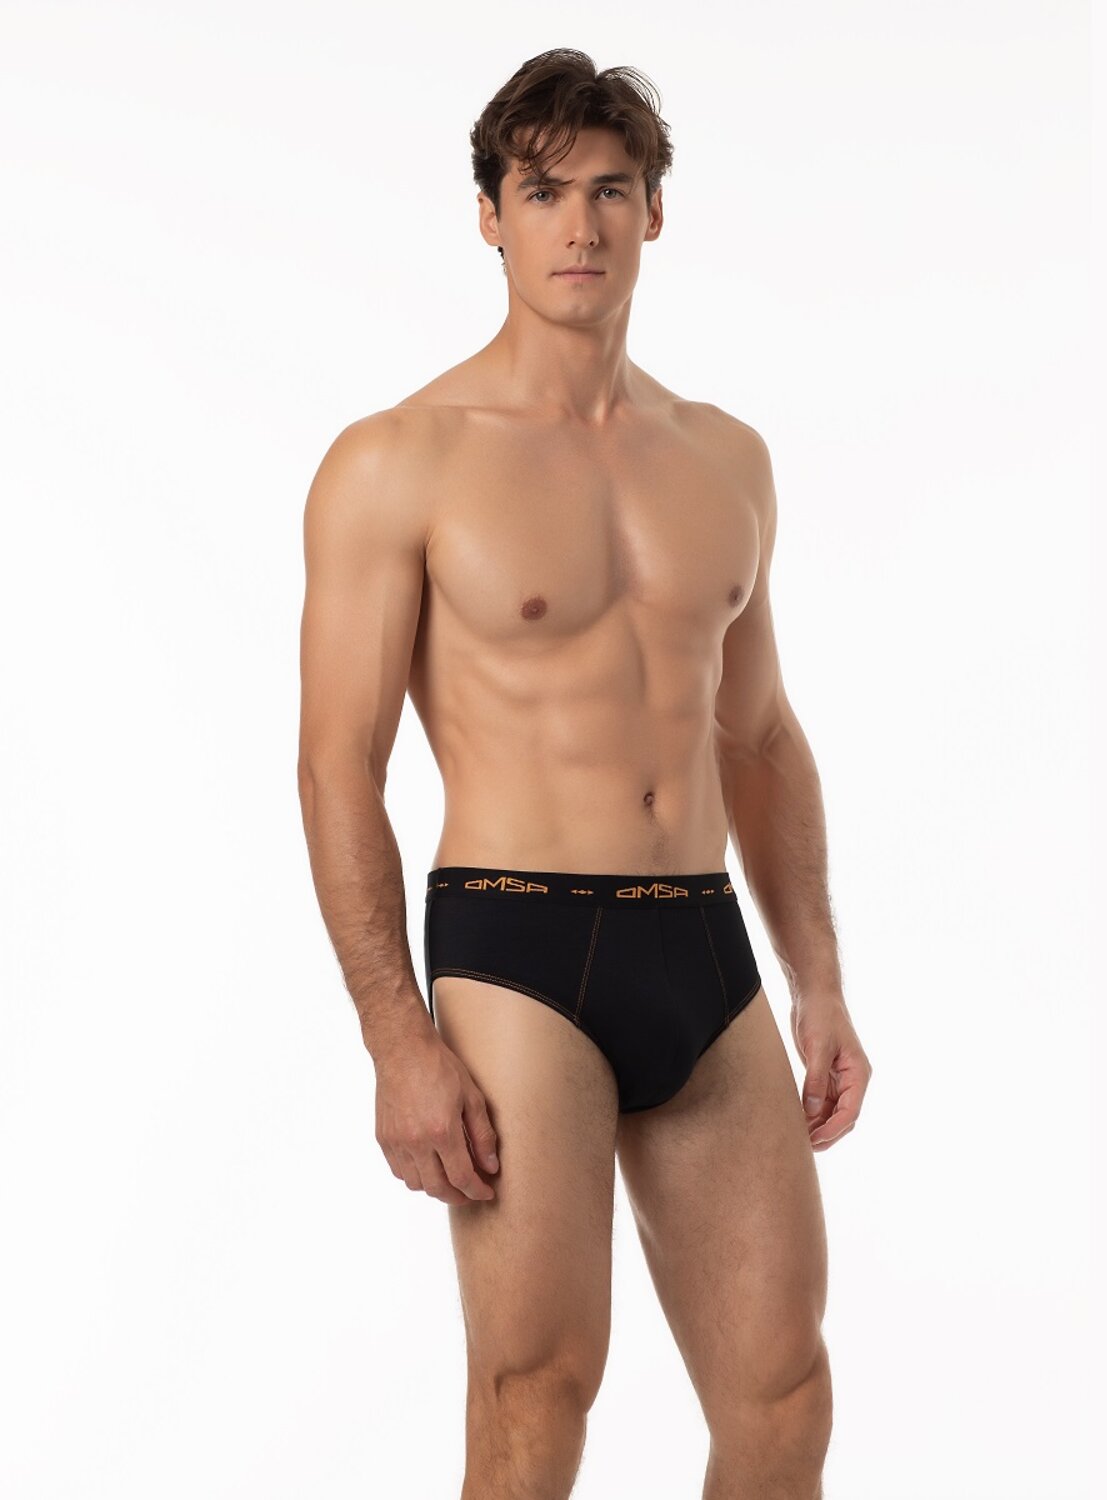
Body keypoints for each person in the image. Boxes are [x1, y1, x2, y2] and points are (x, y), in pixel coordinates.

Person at [297, 46, 872, 1500]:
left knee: (783, 1396)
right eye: (542, 192)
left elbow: (760, 736)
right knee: (535, 1393)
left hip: (703, 948)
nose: (580, 226)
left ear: (654, 213)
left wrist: (817, 980)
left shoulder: (725, 459)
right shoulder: (398, 460)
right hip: (517, 947)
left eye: (611, 191)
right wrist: (394, 1038)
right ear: (488, 216)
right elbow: (335, 767)